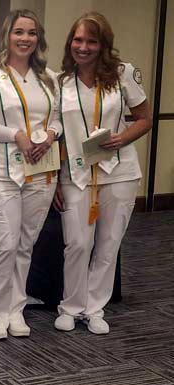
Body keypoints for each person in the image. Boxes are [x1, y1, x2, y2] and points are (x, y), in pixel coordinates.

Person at [52, 12, 151, 334]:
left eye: (91, 41)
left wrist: (123, 137)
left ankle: (94, 308)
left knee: (108, 243)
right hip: (77, 172)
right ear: (70, 43)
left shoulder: (123, 74)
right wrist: (54, 177)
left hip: (119, 171)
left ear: (103, 45)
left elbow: (144, 118)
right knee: (78, 243)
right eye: (78, 40)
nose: (83, 47)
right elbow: (55, 133)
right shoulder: (59, 82)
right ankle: (71, 306)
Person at [0, 9, 62, 340]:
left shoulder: (50, 77)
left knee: (25, 243)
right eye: (19, 32)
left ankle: (15, 308)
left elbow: (58, 118)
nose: (25, 39)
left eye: (32, 33)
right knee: (4, 243)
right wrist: (15, 135)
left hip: (39, 169)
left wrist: (50, 135)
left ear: (39, 39)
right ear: (6, 36)